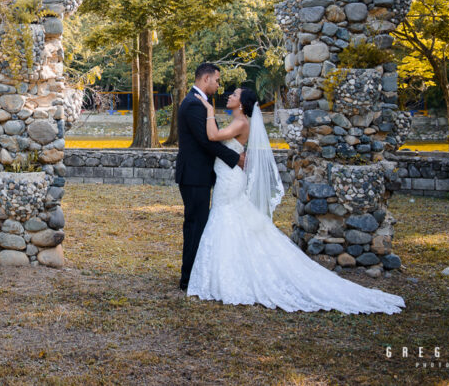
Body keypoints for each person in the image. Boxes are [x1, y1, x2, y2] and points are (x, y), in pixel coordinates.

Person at [186, 86, 406, 314]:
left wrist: (209, 109)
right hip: (226, 177)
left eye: (235, 94)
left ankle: (228, 276)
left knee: (227, 218)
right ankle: (225, 273)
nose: (230, 95)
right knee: (230, 220)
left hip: (230, 180)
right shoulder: (237, 121)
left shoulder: (241, 123)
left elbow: (212, 136)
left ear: (241, 104)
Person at [174, 63, 243, 292]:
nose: (218, 85)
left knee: (198, 226)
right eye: (217, 80)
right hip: (194, 176)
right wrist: (235, 158)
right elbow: (206, 141)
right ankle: (188, 279)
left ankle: (194, 274)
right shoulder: (193, 104)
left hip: (199, 175)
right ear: (205, 79)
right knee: (195, 226)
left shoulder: (200, 102)